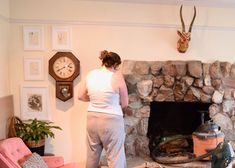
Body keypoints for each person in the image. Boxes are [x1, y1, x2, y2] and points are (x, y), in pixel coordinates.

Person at [78, 50, 129, 168]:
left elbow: (80, 96)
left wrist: (97, 100)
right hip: (111, 120)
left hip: (92, 118)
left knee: (92, 154)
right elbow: (125, 103)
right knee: (115, 156)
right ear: (115, 65)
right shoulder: (117, 76)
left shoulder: (90, 74)